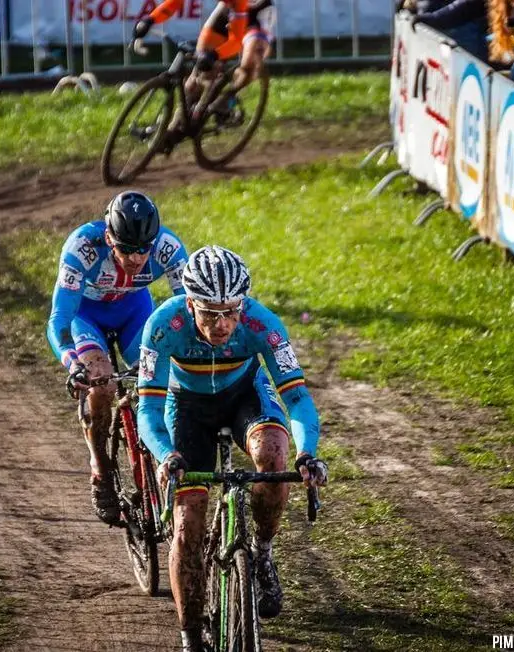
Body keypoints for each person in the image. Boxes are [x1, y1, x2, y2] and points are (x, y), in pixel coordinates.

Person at [136, 245, 328, 652]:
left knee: (274, 454)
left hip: (245, 395)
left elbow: (296, 398)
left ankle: (262, 554)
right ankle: (190, 635)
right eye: (209, 313)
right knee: (188, 523)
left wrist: (307, 454)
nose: (222, 324)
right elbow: (149, 409)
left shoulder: (262, 324)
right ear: (190, 304)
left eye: (231, 312)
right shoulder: (161, 326)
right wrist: (165, 454)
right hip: (185, 407)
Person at [47, 191, 188, 525]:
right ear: (108, 237)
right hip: (87, 317)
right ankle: (100, 468)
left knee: (161, 378)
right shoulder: (82, 248)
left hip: (134, 314)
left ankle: (161, 457)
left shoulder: (168, 248)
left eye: (144, 249)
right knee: (102, 386)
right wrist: (73, 363)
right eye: (127, 249)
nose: (137, 257)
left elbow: (188, 307)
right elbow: (60, 320)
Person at [133, 1, 275, 134]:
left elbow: (236, 42)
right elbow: (175, 3)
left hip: (258, 15)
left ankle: (226, 100)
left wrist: (214, 55)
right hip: (228, 10)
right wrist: (150, 20)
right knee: (197, 77)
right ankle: (174, 124)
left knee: (250, 61)